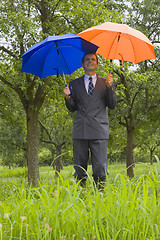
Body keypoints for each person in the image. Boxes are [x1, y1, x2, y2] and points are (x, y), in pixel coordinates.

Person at [63, 52, 117, 188]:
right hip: (81, 130)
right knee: (79, 169)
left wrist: (110, 88)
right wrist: (68, 98)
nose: (90, 61)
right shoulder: (74, 84)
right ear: (82, 64)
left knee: (99, 168)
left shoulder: (106, 82)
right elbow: (72, 108)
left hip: (99, 130)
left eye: (93, 59)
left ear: (97, 65)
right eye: (87, 59)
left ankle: (100, 198)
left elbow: (112, 105)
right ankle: (80, 199)